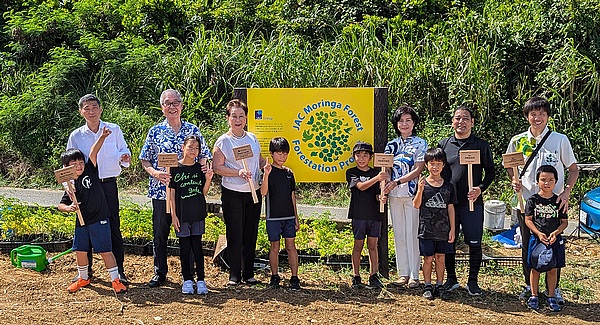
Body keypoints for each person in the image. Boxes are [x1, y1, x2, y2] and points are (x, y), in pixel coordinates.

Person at [506, 96, 578, 304]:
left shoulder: (560, 140)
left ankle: (553, 291)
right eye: (533, 114)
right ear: (527, 116)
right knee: (529, 246)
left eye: (541, 114)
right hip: (527, 203)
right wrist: (514, 181)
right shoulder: (518, 140)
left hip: (554, 205)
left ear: (548, 116)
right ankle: (530, 288)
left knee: (554, 245)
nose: (537, 118)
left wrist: (566, 192)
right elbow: (511, 167)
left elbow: (573, 169)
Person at [139, 89, 212, 287]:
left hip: (188, 193)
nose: (172, 107)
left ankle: (188, 275)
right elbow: (145, 160)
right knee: (160, 232)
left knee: (188, 235)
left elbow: (203, 154)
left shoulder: (193, 130)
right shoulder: (155, 131)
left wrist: (204, 165)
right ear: (162, 108)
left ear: (181, 105)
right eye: (167, 103)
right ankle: (160, 272)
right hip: (161, 191)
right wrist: (155, 173)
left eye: (175, 103)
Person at [66, 94, 131, 284]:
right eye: (86, 108)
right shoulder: (76, 136)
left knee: (113, 226)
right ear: (81, 112)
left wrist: (124, 157)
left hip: (108, 184)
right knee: (84, 226)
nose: (91, 111)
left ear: (101, 109)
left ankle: (118, 272)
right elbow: (67, 165)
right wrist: (68, 188)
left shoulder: (113, 129)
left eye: (94, 107)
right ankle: (85, 273)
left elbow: (123, 151)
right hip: (85, 188)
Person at [58, 126, 127, 294]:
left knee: (105, 250)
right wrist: (69, 208)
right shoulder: (70, 186)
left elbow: (93, 151)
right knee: (80, 250)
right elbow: (60, 205)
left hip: (100, 218)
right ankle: (83, 277)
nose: (79, 166)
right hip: (82, 222)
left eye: (81, 162)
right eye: (74, 164)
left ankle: (115, 280)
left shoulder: (90, 170)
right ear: (66, 167)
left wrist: (102, 137)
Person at [438, 105, 495, 296]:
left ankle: (473, 281)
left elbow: (491, 172)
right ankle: (451, 278)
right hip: (449, 203)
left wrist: (480, 188)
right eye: (457, 118)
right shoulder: (444, 144)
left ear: (472, 122)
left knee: (474, 242)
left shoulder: (481, 145)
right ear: (452, 121)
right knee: (449, 241)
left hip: (472, 203)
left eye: (465, 119)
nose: (460, 122)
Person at [213, 99, 265, 286]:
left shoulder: (252, 138)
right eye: (234, 116)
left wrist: (267, 168)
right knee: (235, 233)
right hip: (233, 193)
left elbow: (259, 160)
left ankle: (248, 273)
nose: (237, 119)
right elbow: (217, 167)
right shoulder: (223, 141)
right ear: (228, 118)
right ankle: (234, 275)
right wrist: (238, 172)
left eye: (241, 116)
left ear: (246, 118)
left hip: (254, 192)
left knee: (251, 232)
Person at [383, 105, 427, 288]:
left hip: (411, 193)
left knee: (412, 233)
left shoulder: (420, 143)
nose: (404, 124)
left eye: (408, 120)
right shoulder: (391, 144)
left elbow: (418, 169)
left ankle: (414, 275)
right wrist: (384, 186)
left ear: (414, 123)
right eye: (401, 121)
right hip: (394, 195)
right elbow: (385, 168)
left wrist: (398, 181)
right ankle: (402, 273)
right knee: (399, 233)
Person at [169, 135, 213, 295]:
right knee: (184, 248)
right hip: (182, 215)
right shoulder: (174, 168)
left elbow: (203, 192)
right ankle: (187, 279)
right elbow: (172, 194)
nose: (193, 151)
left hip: (197, 213)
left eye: (196, 148)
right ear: (183, 148)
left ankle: (201, 279)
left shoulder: (199, 169)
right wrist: (173, 215)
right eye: (190, 147)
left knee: (197, 247)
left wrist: (208, 179)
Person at [523, 165, 568, 312]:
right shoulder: (532, 200)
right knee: (535, 268)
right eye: (543, 180)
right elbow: (528, 220)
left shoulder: (559, 201)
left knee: (553, 269)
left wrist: (556, 233)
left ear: (556, 182)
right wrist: (538, 233)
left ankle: (551, 295)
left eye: (550, 180)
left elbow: (564, 222)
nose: (547, 183)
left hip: (554, 240)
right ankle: (534, 295)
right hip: (537, 239)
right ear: (537, 181)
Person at [413, 148, 456, 300]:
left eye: (438, 163)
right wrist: (419, 190)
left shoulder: (448, 186)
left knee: (441, 258)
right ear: (426, 165)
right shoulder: (422, 183)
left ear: (443, 165)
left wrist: (452, 229)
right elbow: (416, 205)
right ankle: (427, 285)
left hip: (443, 230)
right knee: (428, 259)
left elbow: (450, 208)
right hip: (426, 229)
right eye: (432, 163)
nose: (435, 167)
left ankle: (439, 284)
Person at [260, 137, 301, 290]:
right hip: (273, 217)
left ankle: (295, 277)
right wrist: (266, 175)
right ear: (271, 153)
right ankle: (274, 276)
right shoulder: (267, 171)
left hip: (289, 217)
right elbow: (263, 192)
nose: (282, 157)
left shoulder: (289, 173)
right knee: (274, 246)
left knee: (291, 246)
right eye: (278, 154)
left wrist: (296, 217)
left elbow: (292, 196)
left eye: (285, 154)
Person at [346, 141, 387, 289]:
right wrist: (377, 178)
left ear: (370, 157)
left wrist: (382, 197)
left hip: (374, 215)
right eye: (358, 155)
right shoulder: (352, 173)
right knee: (358, 245)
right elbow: (361, 187)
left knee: (373, 245)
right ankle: (356, 275)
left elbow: (377, 194)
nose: (362, 158)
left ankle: (373, 275)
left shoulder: (376, 172)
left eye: (365, 155)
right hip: (358, 214)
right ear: (354, 157)